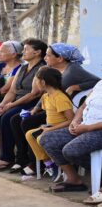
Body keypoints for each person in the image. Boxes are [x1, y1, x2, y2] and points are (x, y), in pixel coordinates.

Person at [10, 43, 100, 175]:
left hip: (63, 110)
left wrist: (75, 87)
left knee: (27, 123)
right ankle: (25, 159)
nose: (45, 57)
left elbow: (96, 81)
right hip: (53, 108)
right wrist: (35, 108)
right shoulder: (51, 69)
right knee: (16, 119)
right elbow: (46, 92)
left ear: (60, 58)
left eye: (48, 55)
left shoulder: (73, 69)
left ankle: (39, 162)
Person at [0, 38, 47, 172]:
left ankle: (7, 157)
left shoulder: (42, 68)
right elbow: (12, 90)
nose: (23, 52)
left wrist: (10, 106)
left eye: (26, 50)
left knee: (7, 117)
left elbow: (34, 94)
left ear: (37, 52)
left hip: (31, 102)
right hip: (16, 100)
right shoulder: (23, 67)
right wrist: (2, 104)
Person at [40, 80, 102, 193]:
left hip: (98, 130)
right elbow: (83, 106)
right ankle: (74, 180)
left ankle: (100, 178)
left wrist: (88, 128)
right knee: (47, 139)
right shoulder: (99, 84)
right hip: (84, 126)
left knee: (71, 150)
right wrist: (75, 121)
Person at [25, 67, 74, 181]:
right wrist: (46, 126)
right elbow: (50, 116)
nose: (36, 83)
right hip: (51, 127)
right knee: (30, 134)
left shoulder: (60, 97)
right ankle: (49, 164)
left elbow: (71, 120)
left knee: (41, 137)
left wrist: (51, 129)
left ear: (43, 82)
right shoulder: (45, 96)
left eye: (36, 80)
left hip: (63, 129)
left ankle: (57, 163)